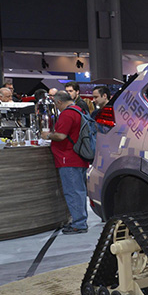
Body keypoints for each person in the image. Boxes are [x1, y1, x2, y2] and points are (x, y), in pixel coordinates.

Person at [40, 90, 90, 234]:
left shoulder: (67, 114)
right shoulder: (79, 110)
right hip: (79, 157)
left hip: (68, 158)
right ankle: (80, 221)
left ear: (59, 102)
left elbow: (61, 136)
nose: (57, 107)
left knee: (73, 192)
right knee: (79, 191)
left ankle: (79, 224)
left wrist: (47, 135)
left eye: (56, 104)